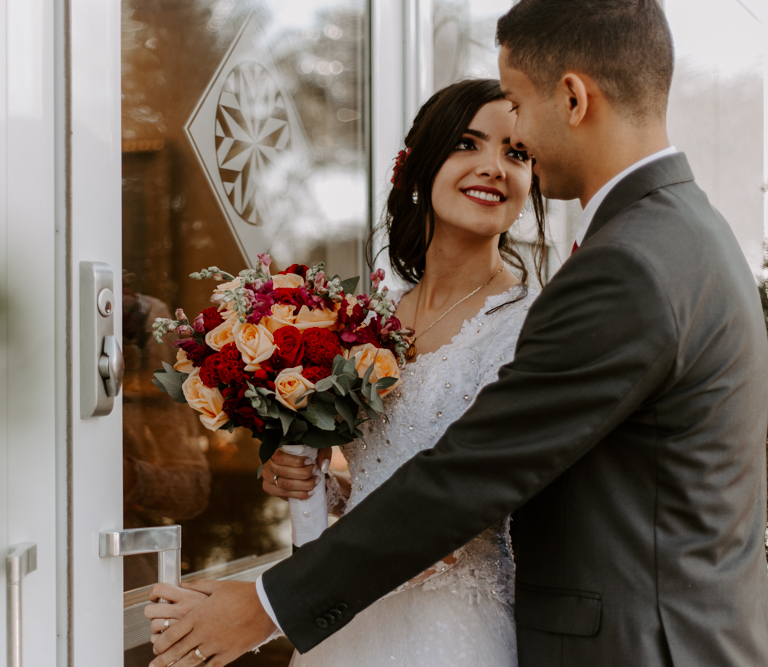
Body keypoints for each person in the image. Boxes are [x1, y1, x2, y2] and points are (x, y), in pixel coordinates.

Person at [146, 1, 768, 665]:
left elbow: (471, 478)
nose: (508, 152)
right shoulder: (679, 232)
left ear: (573, 97)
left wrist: (263, 607)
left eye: (518, 118)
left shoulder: (627, 262)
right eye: (469, 142)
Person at [146, 77, 547, 665]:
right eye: (468, 143)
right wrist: (316, 484)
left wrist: (267, 605)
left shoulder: (531, 326)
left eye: (516, 153)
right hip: (340, 628)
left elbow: (459, 516)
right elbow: (382, 485)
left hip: (452, 634)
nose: (493, 166)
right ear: (417, 165)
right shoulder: (366, 321)